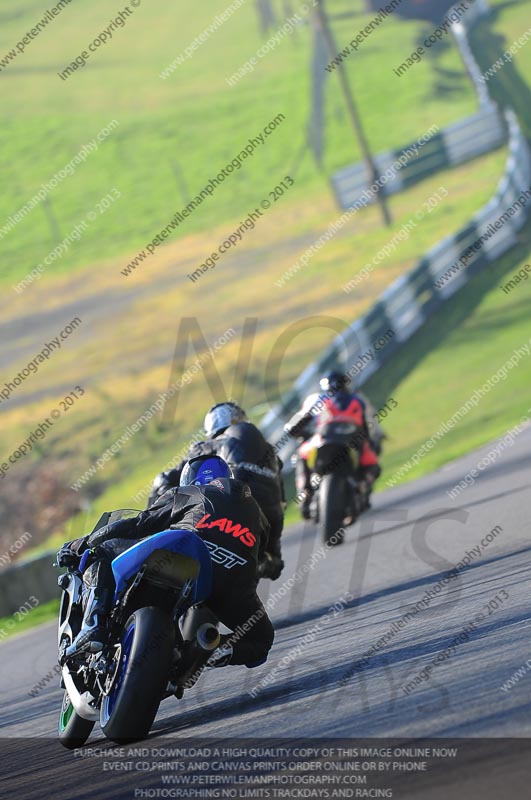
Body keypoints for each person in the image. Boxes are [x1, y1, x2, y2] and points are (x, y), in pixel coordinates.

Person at [57, 455, 274, 671]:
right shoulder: (257, 513)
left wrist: (81, 544)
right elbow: (260, 558)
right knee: (261, 640)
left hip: (187, 559)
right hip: (234, 580)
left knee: (101, 551)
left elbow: (138, 524)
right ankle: (207, 650)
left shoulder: (188, 493)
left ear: (191, 480)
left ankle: (93, 625)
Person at [148, 402, 285, 580]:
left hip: (231, 508)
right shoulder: (268, 450)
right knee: (271, 559)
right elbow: (281, 490)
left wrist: (167, 492)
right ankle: (269, 559)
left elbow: (171, 476)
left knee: (163, 483)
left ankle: (151, 537)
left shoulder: (208, 445)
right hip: (271, 516)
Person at [287, 371, 381, 519]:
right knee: (372, 464)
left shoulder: (317, 399)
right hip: (349, 444)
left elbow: (293, 426)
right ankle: (362, 490)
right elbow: (370, 427)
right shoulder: (357, 399)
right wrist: (373, 441)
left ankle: (305, 493)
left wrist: (299, 433)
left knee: (301, 454)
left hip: (326, 442)